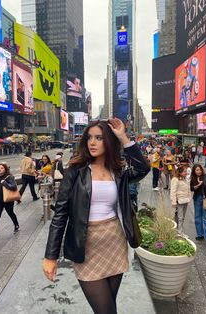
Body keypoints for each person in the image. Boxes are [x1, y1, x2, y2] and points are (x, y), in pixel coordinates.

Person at [43, 118, 150, 313]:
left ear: (108, 141)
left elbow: (144, 168)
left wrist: (123, 137)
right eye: (89, 138)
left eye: (99, 138)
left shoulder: (118, 171)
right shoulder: (76, 170)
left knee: (110, 306)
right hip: (86, 246)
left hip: (114, 242)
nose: (92, 142)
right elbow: (60, 214)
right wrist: (51, 256)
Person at [190, 164, 206, 247]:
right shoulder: (193, 177)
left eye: (199, 169)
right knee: (197, 218)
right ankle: (200, 235)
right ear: (194, 171)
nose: (199, 171)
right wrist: (199, 184)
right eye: (197, 170)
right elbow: (192, 188)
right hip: (197, 199)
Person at [170, 166, 191, 237]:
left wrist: (189, 198)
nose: (186, 173)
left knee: (182, 217)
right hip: (179, 201)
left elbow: (188, 189)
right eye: (184, 171)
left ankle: (178, 231)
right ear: (180, 172)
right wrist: (173, 202)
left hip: (185, 200)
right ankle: (179, 232)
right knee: (180, 217)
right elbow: (173, 191)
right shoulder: (175, 179)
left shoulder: (184, 179)